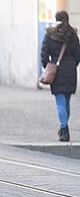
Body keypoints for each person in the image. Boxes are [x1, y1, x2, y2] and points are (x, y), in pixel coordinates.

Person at [41, 11, 80, 142]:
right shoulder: (73, 34)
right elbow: (78, 54)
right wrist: (72, 64)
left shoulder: (49, 34)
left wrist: (48, 67)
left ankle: (64, 129)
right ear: (67, 19)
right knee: (66, 100)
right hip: (70, 70)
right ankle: (64, 127)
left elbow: (44, 54)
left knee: (60, 102)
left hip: (56, 71)